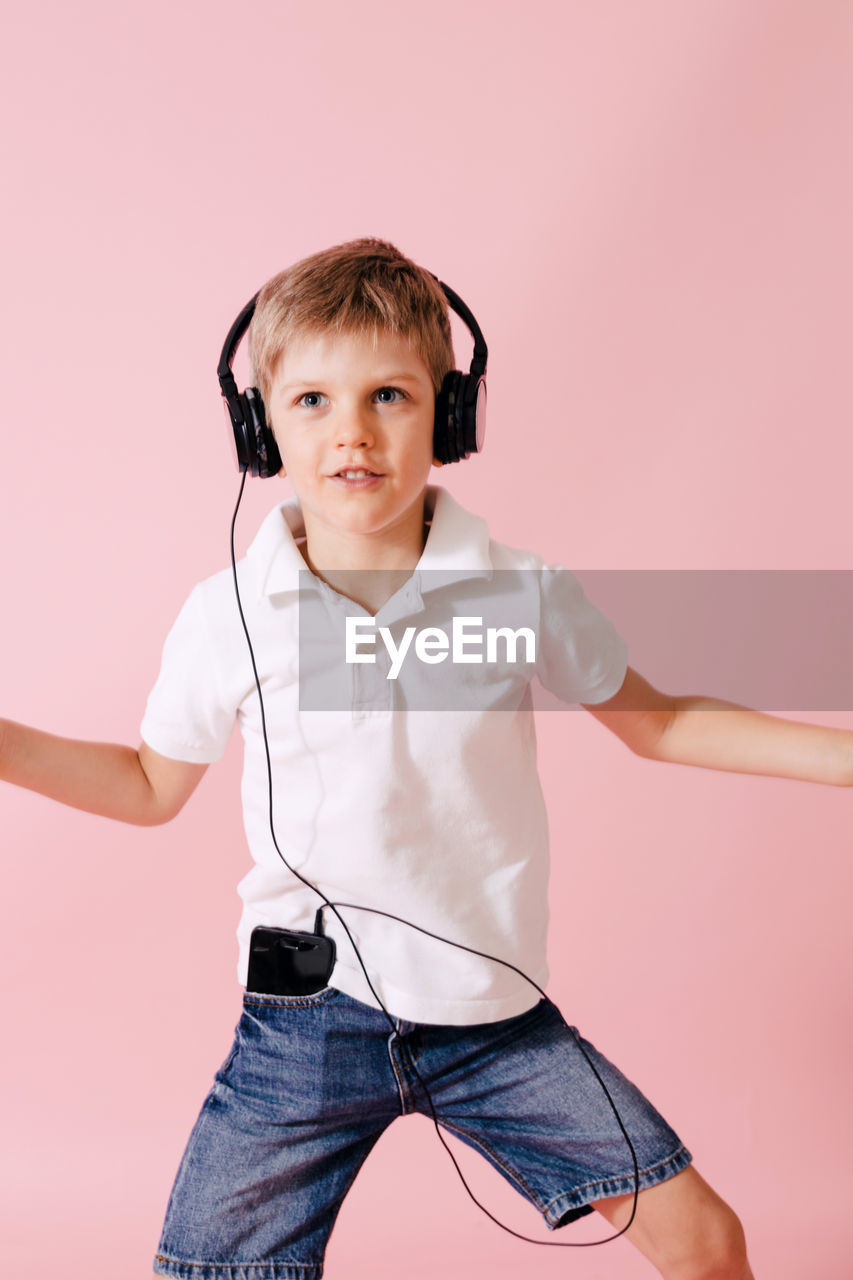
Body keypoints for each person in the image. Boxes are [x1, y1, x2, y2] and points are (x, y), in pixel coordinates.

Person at [2, 239, 851, 1280]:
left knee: (706, 1239)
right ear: (258, 421)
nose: (351, 430)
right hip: (306, 1022)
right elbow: (145, 783)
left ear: (451, 414)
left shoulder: (515, 594)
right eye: (310, 398)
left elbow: (660, 721)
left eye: (390, 395)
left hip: (493, 1019)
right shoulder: (229, 611)